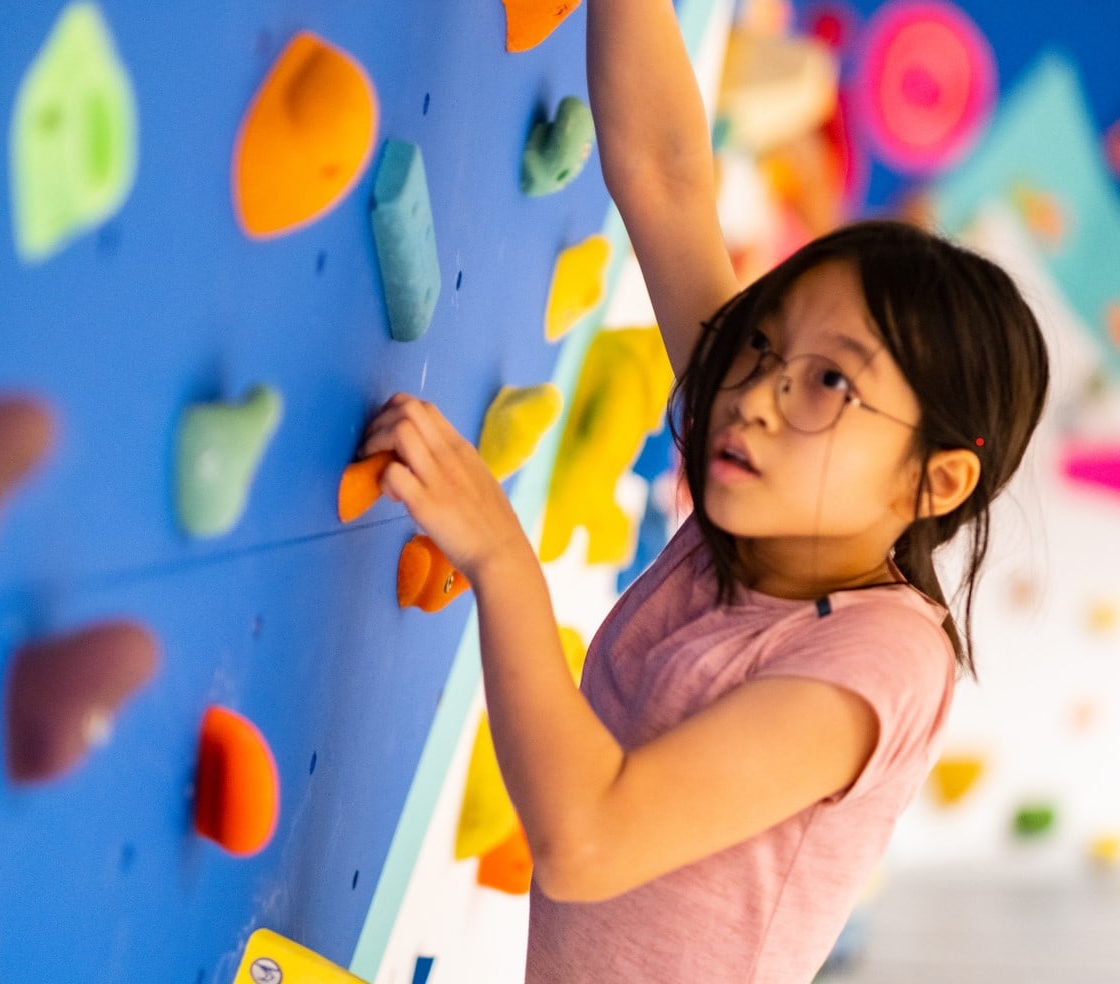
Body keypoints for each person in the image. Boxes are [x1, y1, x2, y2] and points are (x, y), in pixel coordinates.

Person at [355, 0, 1051, 979]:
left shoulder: (885, 658)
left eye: (832, 382)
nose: (759, 394)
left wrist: (501, 558)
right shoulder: (767, 485)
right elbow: (667, 175)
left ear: (935, 481)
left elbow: (586, 841)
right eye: (766, 342)